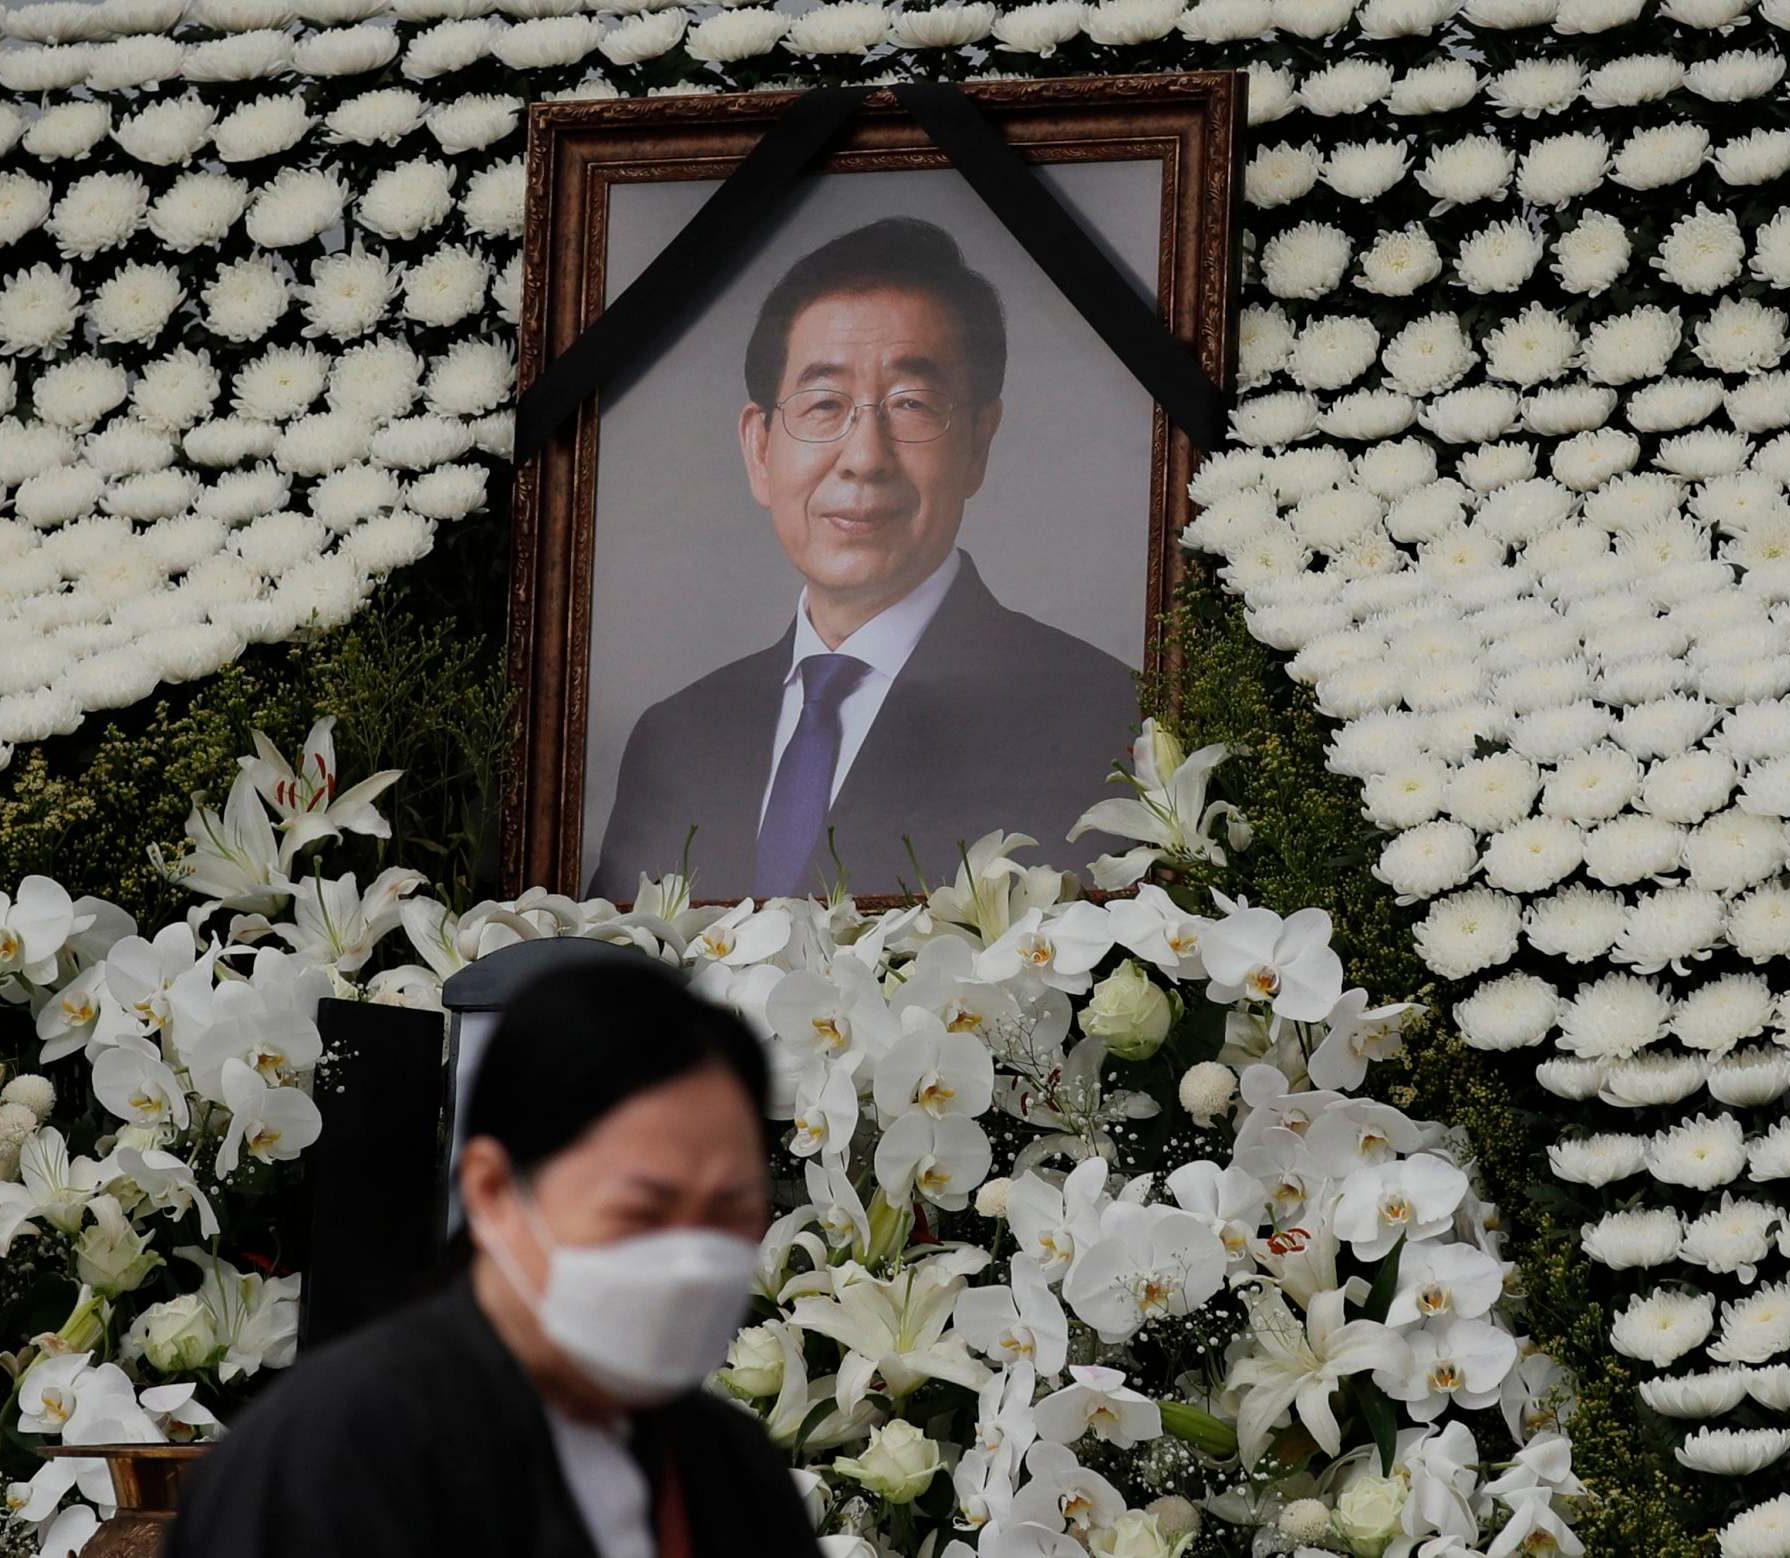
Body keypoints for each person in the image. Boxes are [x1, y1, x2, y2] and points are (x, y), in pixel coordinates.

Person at [163, 959, 818, 1558]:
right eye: (641, 1212)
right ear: (494, 1190)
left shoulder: (729, 1466)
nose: (690, 1259)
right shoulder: (331, 1454)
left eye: (729, 1214)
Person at [588, 215, 1139, 904]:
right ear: (759, 449)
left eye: (911, 405)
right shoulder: (677, 739)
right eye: (824, 405)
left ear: (977, 443)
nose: (864, 458)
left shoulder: (1101, 722)